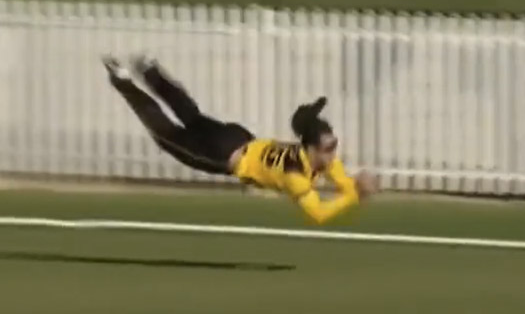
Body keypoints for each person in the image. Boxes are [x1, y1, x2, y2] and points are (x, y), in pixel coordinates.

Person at [101, 55, 377, 224]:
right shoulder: (295, 176)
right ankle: (122, 79)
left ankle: (151, 71)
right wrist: (354, 195)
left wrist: (354, 186)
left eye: (334, 146)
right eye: (329, 148)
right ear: (312, 147)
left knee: (193, 117)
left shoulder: (319, 158)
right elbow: (317, 214)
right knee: (166, 134)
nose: (333, 153)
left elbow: (342, 180)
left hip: (237, 136)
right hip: (224, 155)